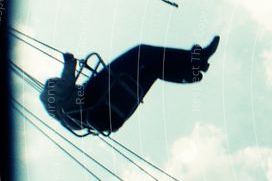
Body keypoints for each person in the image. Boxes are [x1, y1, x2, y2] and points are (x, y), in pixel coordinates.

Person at [39, 36, 220, 134]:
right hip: (93, 103)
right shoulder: (55, 98)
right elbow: (66, 83)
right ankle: (196, 60)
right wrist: (69, 63)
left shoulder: (71, 117)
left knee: (151, 70)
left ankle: (189, 72)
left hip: (108, 118)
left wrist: (70, 66)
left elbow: (66, 86)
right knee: (140, 53)